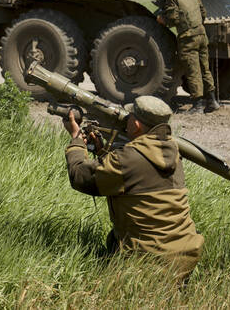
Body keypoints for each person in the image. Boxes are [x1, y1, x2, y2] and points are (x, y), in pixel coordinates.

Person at [63, 95, 203, 279]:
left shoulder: (126, 160)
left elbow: (80, 177)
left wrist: (76, 142)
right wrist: (102, 151)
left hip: (150, 260)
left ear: (136, 126)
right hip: (185, 254)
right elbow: (134, 177)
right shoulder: (171, 150)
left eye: (129, 116)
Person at [156, 0, 219, 114]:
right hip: (201, 34)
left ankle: (197, 104)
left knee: (192, 70)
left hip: (187, 37)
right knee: (204, 68)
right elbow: (203, 12)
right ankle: (212, 101)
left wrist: (162, 20)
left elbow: (173, 19)